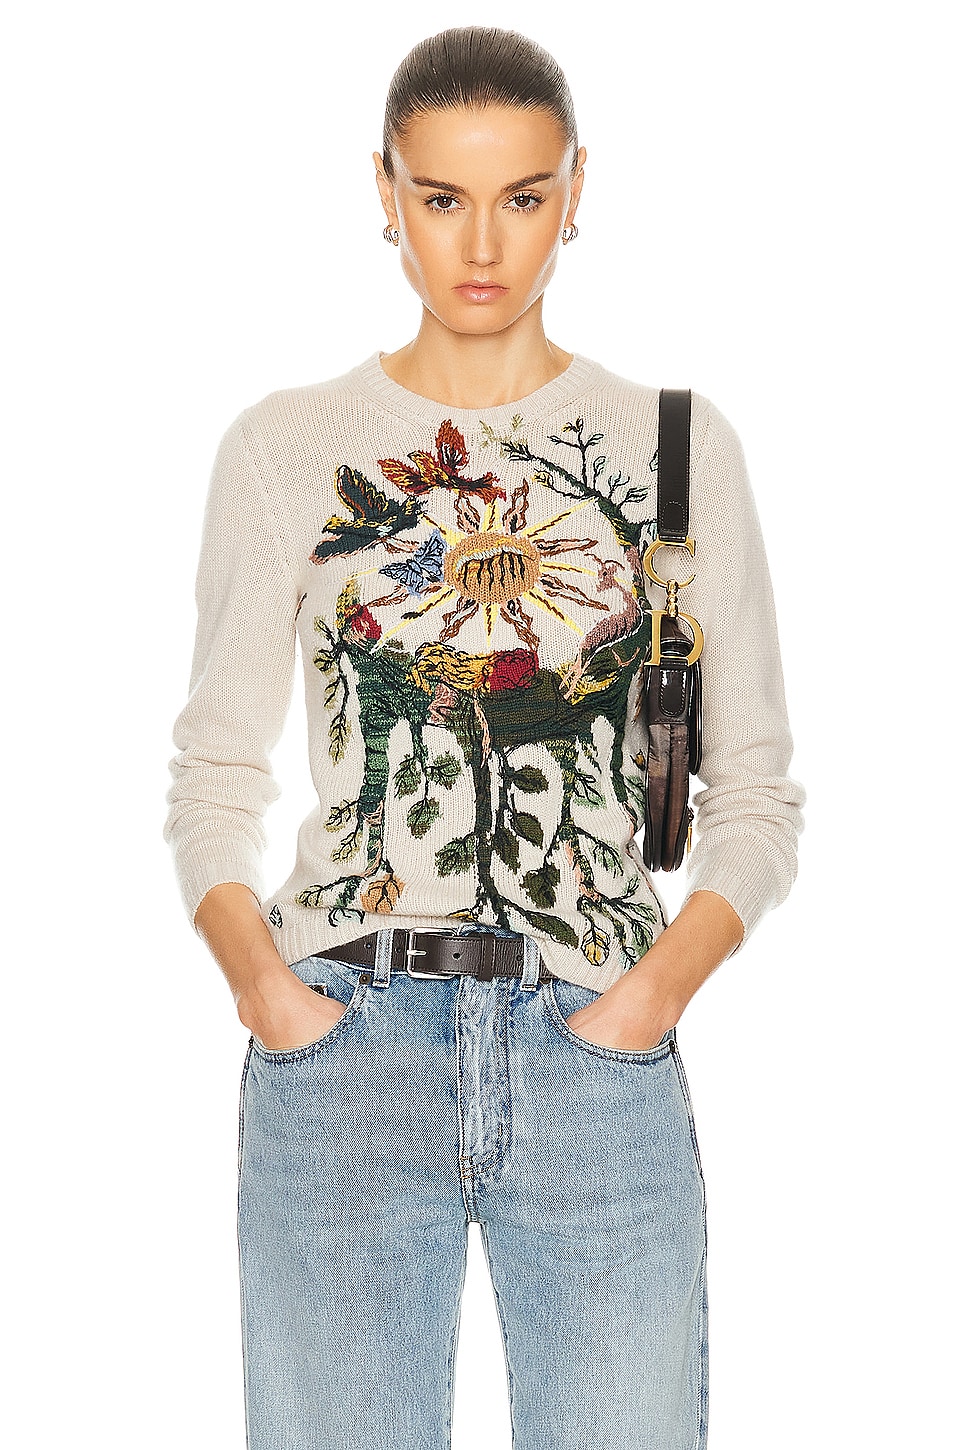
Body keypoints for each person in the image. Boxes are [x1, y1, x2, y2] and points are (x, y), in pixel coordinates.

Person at [164, 24, 805, 1450]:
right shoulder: (286, 448)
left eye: (522, 195)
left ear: (577, 190)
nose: (482, 243)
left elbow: (757, 798)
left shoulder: (673, 446)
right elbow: (213, 773)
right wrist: (267, 989)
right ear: (384, 191)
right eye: (441, 196)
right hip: (345, 1045)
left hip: (595, 1044)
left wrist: (646, 1001)